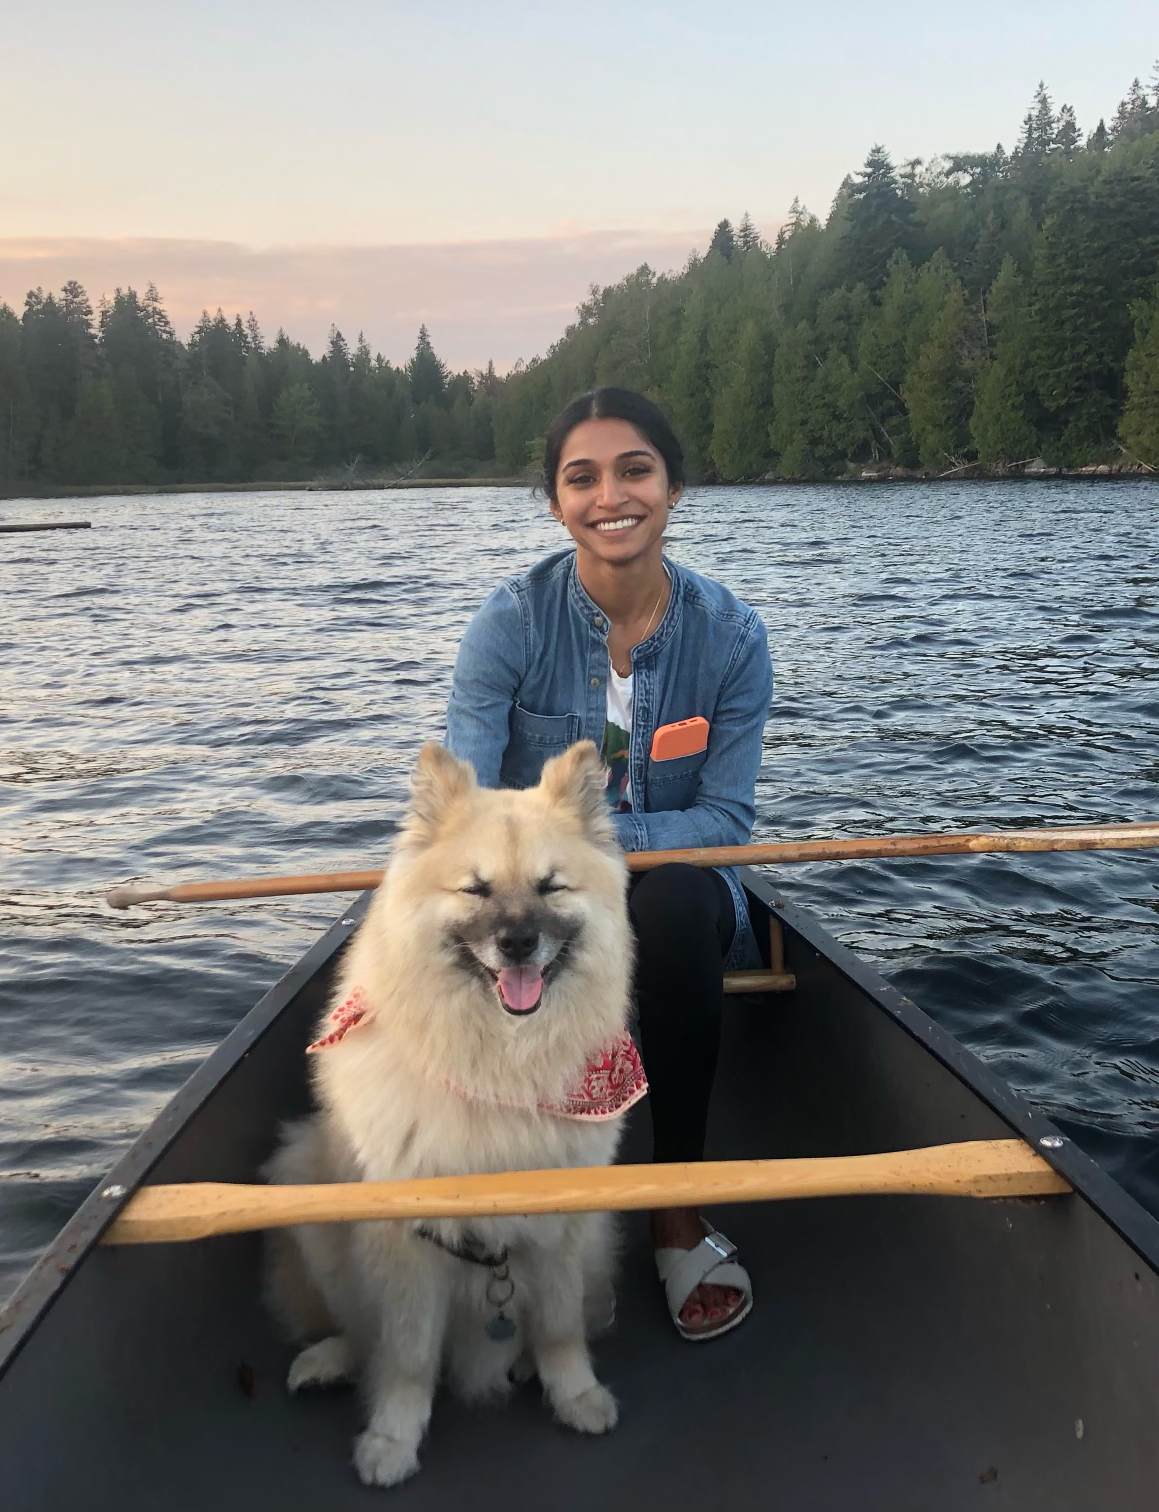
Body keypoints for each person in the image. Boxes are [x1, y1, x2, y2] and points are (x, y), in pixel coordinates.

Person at [445, 387, 772, 1341]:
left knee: (672, 907)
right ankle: (510, 1190)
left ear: (674, 485)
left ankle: (674, 1203)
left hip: (671, 894)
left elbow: (727, 822)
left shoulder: (735, 636)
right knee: (485, 932)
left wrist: (596, 855)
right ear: (555, 502)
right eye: (580, 477)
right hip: (527, 896)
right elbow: (469, 815)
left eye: (635, 470)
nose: (610, 496)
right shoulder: (508, 626)